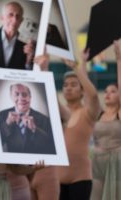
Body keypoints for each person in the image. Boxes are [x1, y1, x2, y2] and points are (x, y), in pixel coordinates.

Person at [57, 51, 101, 200]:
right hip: (57, 179)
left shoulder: (88, 113)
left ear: (82, 91)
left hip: (80, 179)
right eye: (65, 85)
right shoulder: (58, 111)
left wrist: (78, 67)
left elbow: (94, 96)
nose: (68, 88)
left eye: (74, 85)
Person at [90, 40, 121, 200]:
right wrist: (80, 65)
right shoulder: (99, 114)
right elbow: (90, 93)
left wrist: (119, 59)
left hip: (116, 164)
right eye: (106, 91)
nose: (107, 94)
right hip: (97, 164)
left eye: (113, 91)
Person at [0, 83, 56, 154]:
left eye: (24, 94)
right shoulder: (3, 114)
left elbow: (50, 147)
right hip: (12, 164)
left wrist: (35, 129)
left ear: (30, 97)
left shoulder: (44, 119)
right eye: (16, 94)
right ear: (11, 96)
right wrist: (7, 124)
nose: (21, 98)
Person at [0, 1, 34, 69]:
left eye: (18, 16)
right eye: (10, 15)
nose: (14, 20)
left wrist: (28, 62)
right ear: (2, 18)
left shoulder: (27, 45)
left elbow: (26, 73)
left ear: (21, 21)